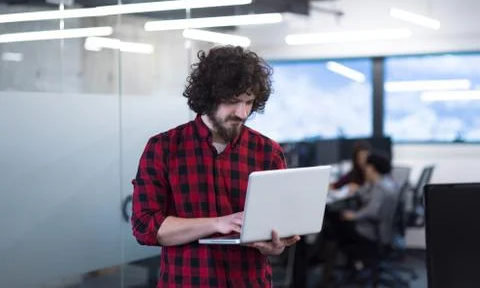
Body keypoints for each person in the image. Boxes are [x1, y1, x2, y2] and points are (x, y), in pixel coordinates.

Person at [131, 46, 300, 287]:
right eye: (233, 101)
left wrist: (275, 246)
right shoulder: (164, 148)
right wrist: (217, 223)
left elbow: (277, 230)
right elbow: (145, 227)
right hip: (187, 282)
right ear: (208, 97)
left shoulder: (268, 152)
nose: (242, 113)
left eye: (249, 102)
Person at [320, 151, 398, 285]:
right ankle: (349, 266)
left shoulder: (380, 188)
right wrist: (358, 188)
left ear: (372, 168)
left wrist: (354, 216)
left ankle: (328, 269)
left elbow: (372, 211)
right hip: (381, 230)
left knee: (332, 225)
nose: (364, 169)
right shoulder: (385, 182)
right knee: (337, 221)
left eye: (367, 167)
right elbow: (366, 194)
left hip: (371, 234)